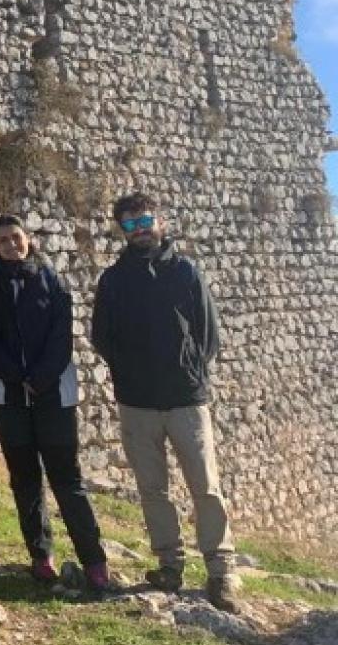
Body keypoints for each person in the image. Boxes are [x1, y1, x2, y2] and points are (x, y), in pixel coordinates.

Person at [92, 192, 239, 612]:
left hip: (185, 398)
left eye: (145, 221)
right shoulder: (114, 280)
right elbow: (102, 336)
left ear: (161, 221)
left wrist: (191, 372)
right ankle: (170, 565)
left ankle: (221, 570)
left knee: (205, 486)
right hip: (137, 401)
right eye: (131, 225)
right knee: (152, 489)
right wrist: (128, 374)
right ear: (123, 231)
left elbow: (208, 334)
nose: (140, 231)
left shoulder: (186, 272)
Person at [0, 214, 109, 590]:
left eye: (16, 237)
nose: (11, 245)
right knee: (26, 479)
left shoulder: (52, 280)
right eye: (3, 240)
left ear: (27, 238)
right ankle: (40, 555)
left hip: (53, 393)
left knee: (67, 478)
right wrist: (16, 376)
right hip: (7, 396)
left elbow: (61, 335)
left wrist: (40, 379)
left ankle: (94, 560)